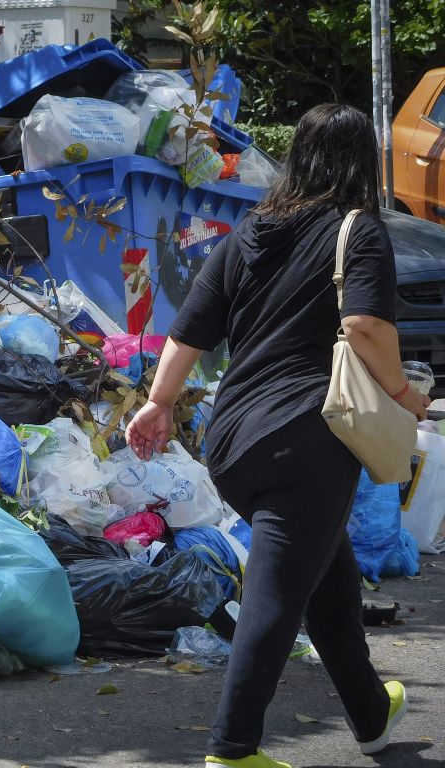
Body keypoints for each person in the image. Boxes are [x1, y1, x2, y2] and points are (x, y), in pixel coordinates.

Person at [126, 103, 428, 768]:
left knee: (327, 577)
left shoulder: (248, 233)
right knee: (276, 597)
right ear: (363, 161)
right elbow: (366, 327)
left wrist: (157, 404)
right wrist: (406, 394)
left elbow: (187, 332)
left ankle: (371, 713)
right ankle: (232, 750)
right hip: (306, 436)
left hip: (234, 438)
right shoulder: (358, 230)